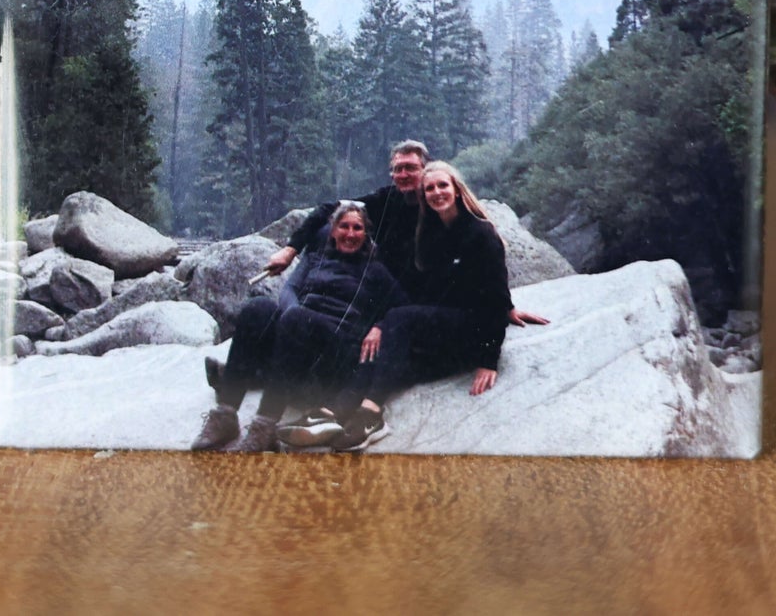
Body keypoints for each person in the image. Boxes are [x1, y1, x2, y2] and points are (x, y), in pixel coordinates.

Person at [283, 161, 548, 453]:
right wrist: (380, 327)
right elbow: (413, 286)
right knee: (382, 349)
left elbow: (495, 292)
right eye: (429, 188)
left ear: (457, 190)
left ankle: (371, 415)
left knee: (399, 321)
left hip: (473, 334)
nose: (436, 192)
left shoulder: (480, 232)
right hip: (443, 330)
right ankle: (331, 414)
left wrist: (489, 359)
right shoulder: (430, 233)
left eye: (442, 185)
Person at [190, 204, 406, 454]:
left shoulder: (376, 271)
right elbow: (289, 291)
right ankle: (225, 415)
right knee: (257, 308)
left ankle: (265, 425)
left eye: (357, 228)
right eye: (343, 226)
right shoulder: (315, 259)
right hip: (296, 341)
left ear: (366, 234)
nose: (350, 233)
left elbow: (401, 308)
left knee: (297, 319)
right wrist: (291, 316)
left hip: (335, 358)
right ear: (332, 231)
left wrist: (379, 326)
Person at [266, 140, 429, 299]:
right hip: (383, 285)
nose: (403, 175)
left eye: (410, 168)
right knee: (327, 229)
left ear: (425, 169)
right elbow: (330, 208)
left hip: (421, 290)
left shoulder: (437, 204)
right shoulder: (386, 199)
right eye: (397, 169)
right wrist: (290, 250)